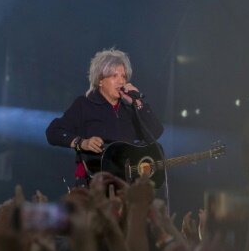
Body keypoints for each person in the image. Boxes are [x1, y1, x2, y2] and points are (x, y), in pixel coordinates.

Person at [46, 48, 164, 180]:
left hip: (128, 185)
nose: (121, 81)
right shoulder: (84, 105)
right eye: (114, 76)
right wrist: (81, 143)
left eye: (123, 76)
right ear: (100, 80)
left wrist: (138, 103)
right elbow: (53, 132)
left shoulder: (130, 108)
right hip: (95, 184)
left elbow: (155, 132)